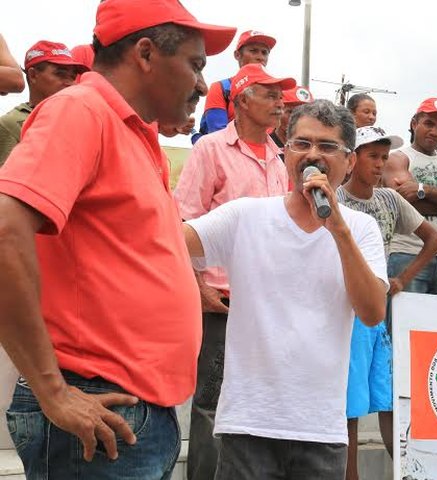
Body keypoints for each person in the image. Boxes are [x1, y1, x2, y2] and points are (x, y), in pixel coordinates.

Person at [0, 1, 235, 478]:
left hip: (127, 414)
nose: (199, 85)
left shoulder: (132, 132)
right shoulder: (80, 111)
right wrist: (53, 391)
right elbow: (5, 230)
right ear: (145, 53)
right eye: (195, 64)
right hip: (97, 409)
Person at [182, 99, 388, 480]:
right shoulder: (246, 215)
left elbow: (372, 311)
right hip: (248, 426)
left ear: (349, 161)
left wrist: (338, 230)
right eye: (302, 144)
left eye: (327, 147)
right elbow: (172, 244)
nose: (313, 155)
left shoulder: (360, 229)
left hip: (321, 430)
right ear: (286, 152)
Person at [174, 62, 295, 480]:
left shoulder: (282, 160)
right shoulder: (209, 148)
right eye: (269, 93)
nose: (280, 102)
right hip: (221, 300)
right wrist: (198, 286)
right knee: (212, 402)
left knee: (257, 399)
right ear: (242, 99)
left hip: (268, 303)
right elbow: (183, 221)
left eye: (281, 94)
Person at [338, 126, 437, 479]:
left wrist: (403, 278)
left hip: (378, 312)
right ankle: (350, 475)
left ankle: (404, 471)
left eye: (384, 157)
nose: (380, 164)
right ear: (352, 159)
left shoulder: (389, 199)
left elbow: (433, 239)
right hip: (345, 309)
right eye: (373, 156)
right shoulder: (335, 199)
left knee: (387, 397)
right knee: (350, 404)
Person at [383, 97, 437, 297]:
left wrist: (423, 190)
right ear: (414, 124)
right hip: (408, 252)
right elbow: (403, 202)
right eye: (428, 124)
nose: (434, 131)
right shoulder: (397, 157)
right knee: (405, 324)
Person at [0, 41, 88, 166]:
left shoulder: (85, 120)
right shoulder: (12, 124)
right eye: (60, 74)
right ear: (33, 75)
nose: (70, 83)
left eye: (73, 77)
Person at [193, 29, 276, 142]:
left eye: (264, 52)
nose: (260, 57)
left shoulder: (277, 94)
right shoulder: (221, 88)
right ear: (237, 55)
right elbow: (219, 135)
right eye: (253, 51)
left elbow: (274, 136)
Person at [270, 85, 314, 151]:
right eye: (291, 112)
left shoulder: (315, 149)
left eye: (305, 113)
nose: (298, 118)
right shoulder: (266, 146)